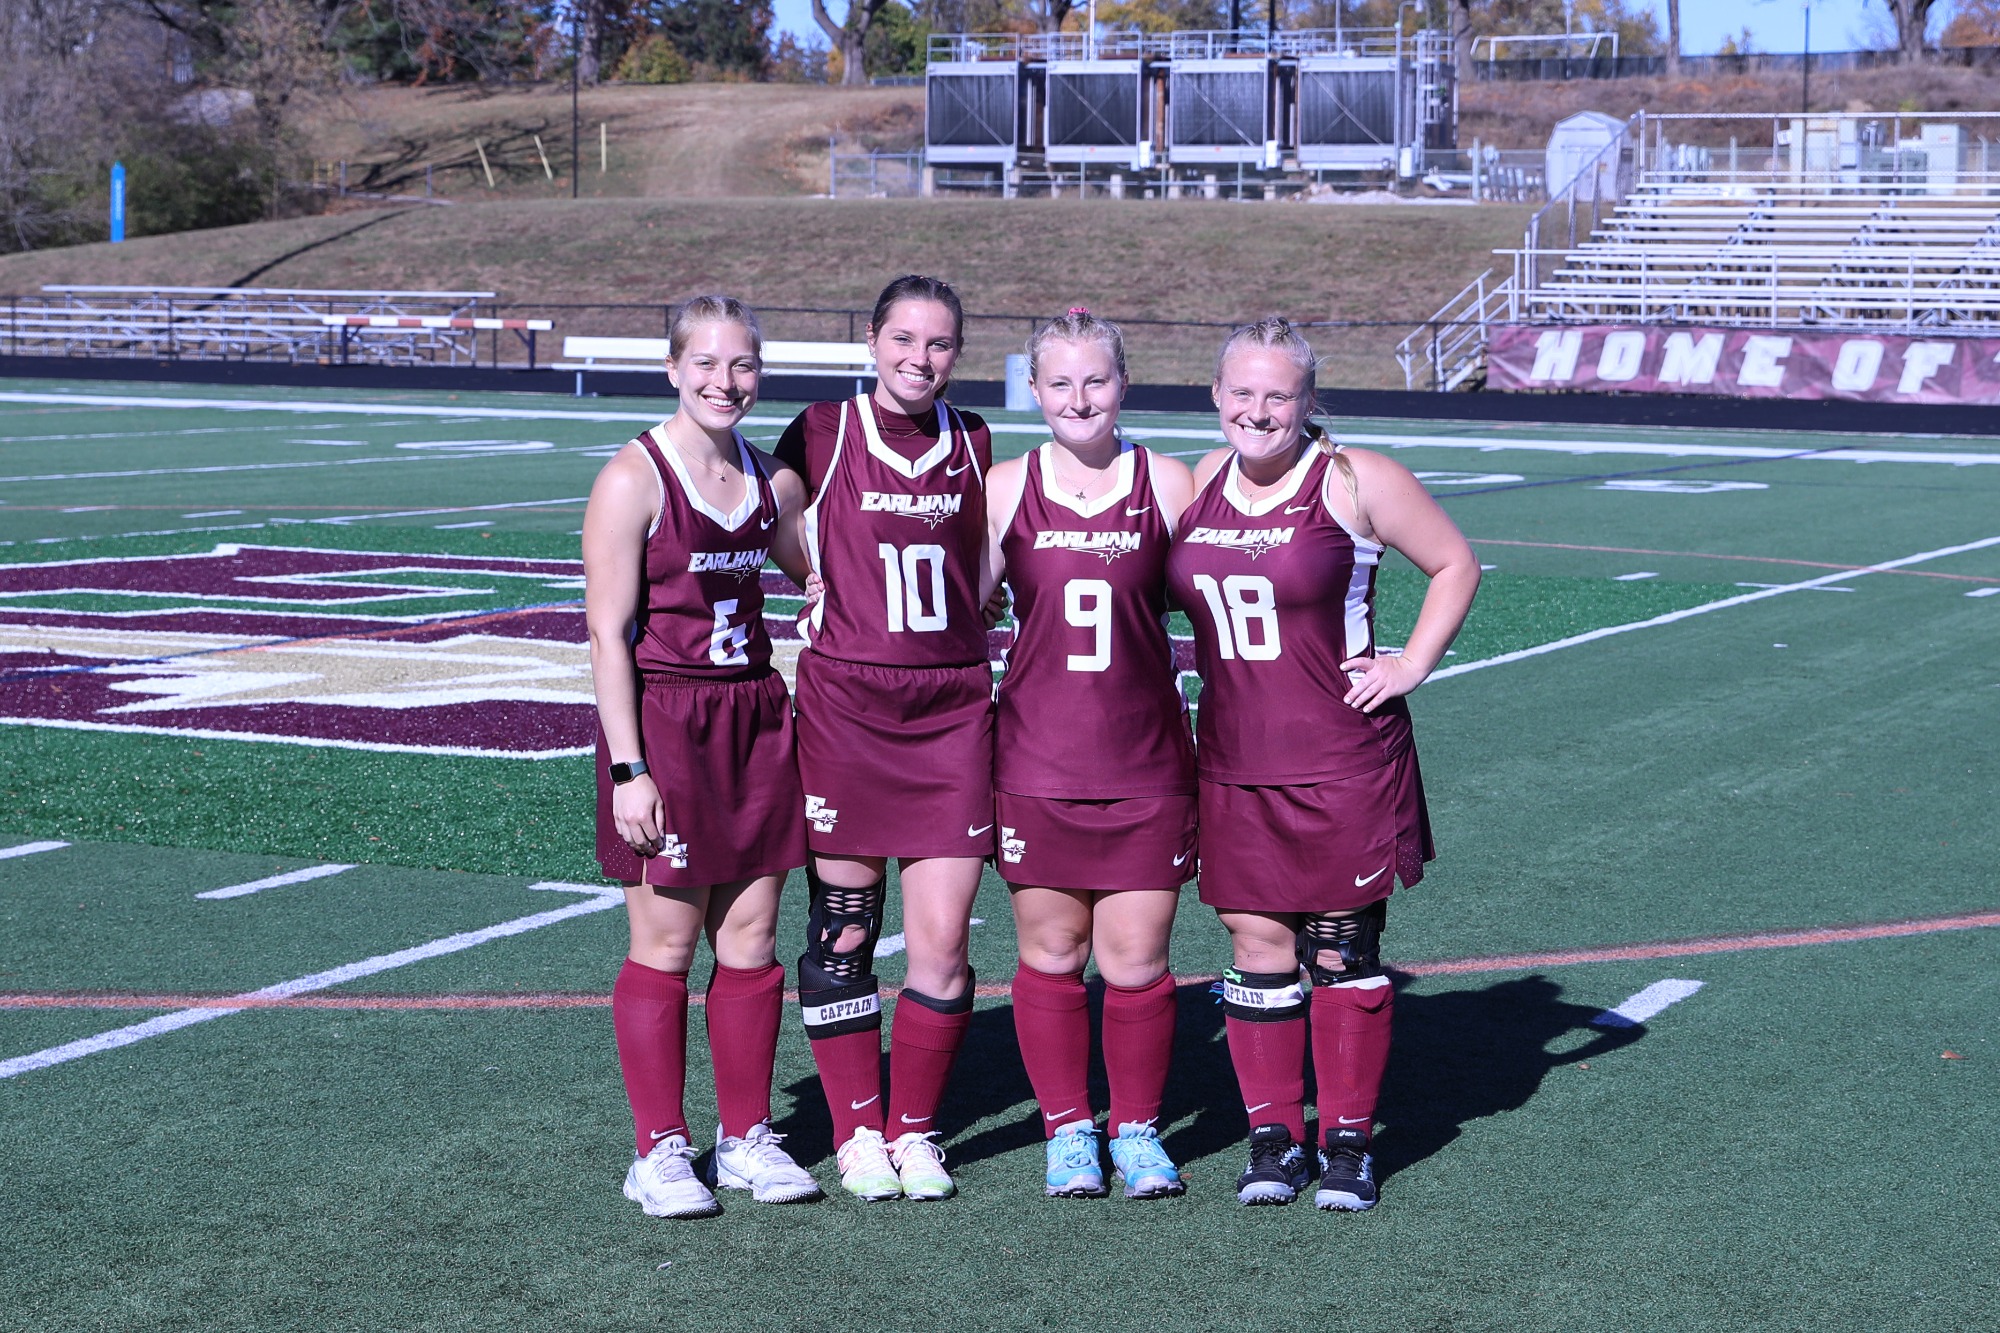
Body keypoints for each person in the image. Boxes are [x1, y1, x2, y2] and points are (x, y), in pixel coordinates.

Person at [1164, 317, 1480, 1211]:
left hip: (1341, 756)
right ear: (1215, 395)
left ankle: (1348, 1144)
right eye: (1242, 393)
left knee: (1341, 949)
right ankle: (1274, 1138)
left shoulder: (1354, 476)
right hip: (1231, 756)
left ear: (1308, 401)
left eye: (1279, 395)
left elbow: (1455, 562)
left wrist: (1409, 662)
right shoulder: (1195, 483)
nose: (1258, 411)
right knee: (1258, 948)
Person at [584, 295, 819, 1219]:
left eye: (744, 366)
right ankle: (658, 1148)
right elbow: (606, 635)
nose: (726, 383)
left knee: (752, 941)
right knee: (669, 942)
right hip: (667, 724)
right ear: (673, 368)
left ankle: (746, 1137)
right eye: (707, 365)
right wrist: (627, 770)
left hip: (757, 717)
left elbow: (815, 570)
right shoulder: (633, 478)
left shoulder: (771, 479)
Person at [772, 275, 994, 1202]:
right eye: (904, 338)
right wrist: (807, 575)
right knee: (844, 931)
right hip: (848, 707)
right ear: (871, 341)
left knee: (941, 938)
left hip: (949, 711)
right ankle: (858, 1130)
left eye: (939, 343)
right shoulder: (823, 428)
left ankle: (915, 1130)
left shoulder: (974, 437)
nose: (920, 358)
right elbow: (762, 511)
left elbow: (990, 551)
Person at [980, 310, 1197, 1200]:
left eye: (1096, 380)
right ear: (1034, 392)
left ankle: (1137, 1127)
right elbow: (959, 612)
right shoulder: (1003, 485)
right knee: (1053, 952)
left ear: (1124, 384)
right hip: (1037, 757)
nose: (1080, 398)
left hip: (1146, 759)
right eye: (1060, 383)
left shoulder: (1170, 481)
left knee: (1138, 956)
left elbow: (1227, 600)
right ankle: (1070, 1127)